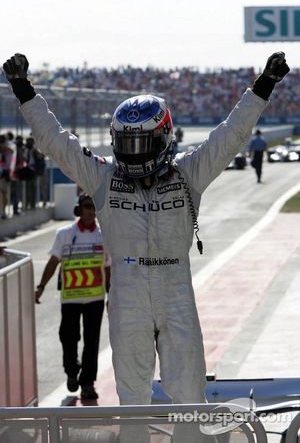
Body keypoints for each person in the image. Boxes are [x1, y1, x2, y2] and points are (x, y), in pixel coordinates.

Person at [3, 52, 289, 442]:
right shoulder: (102, 176)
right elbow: (56, 141)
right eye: (127, 142)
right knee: (132, 397)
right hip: (128, 289)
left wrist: (264, 85)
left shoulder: (190, 172)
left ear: (164, 136)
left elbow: (232, 134)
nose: (134, 151)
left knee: (190, 396)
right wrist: (24, 89)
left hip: (175, 289)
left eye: (142, 142)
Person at [35, 193, 111, 400]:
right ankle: (71, 371)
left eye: (94, 207)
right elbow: (53, 262)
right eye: (87, 206)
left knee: (92, 341)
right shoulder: (64, 234)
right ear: (79, 208)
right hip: (70, 298)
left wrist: (111, 295)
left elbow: (108, 267)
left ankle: (87, 382)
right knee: (68, 337)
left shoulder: (104, 236)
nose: (91, 211)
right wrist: (41, 286)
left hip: (95, 298)